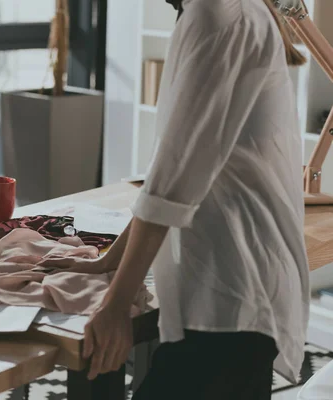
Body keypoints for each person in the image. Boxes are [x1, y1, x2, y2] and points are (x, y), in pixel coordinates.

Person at [83, 0, 310, 398]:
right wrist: (108, 261)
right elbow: (170, 171)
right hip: (229, 286)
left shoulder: (218, 13)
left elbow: (174, 179)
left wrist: (116, 304)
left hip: (234, 290)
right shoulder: (219, 10)